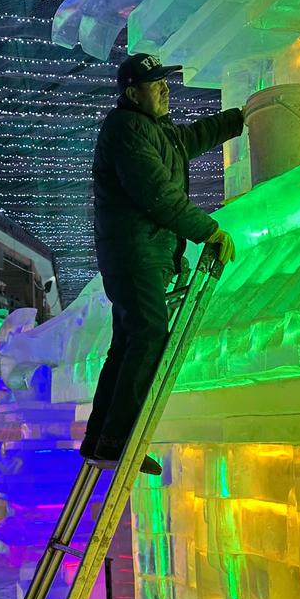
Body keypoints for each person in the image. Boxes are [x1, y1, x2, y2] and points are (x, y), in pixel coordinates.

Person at [83, 53, 243, 477]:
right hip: (135, 254)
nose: (166, 89)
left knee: (128, 342)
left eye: (166, 82)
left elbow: (192, 139)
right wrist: (208, 230)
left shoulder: (155, 130)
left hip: (142, 254)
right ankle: (119, 441)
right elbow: (156, 192)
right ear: (132, 92)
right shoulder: (125, 131)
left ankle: (102, 439)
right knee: (150, 333)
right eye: (156, 84)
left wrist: (238, 119)